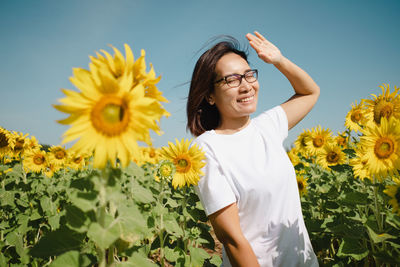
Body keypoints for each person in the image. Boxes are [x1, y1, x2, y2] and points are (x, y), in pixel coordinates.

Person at [186, 31, 320, 267]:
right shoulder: (207, 149)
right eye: (231, 79)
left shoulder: (268, 126)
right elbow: (232, 240)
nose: (246, 86)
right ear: (209, 96)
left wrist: (278, 60)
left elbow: (310, 92)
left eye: (249, 75)